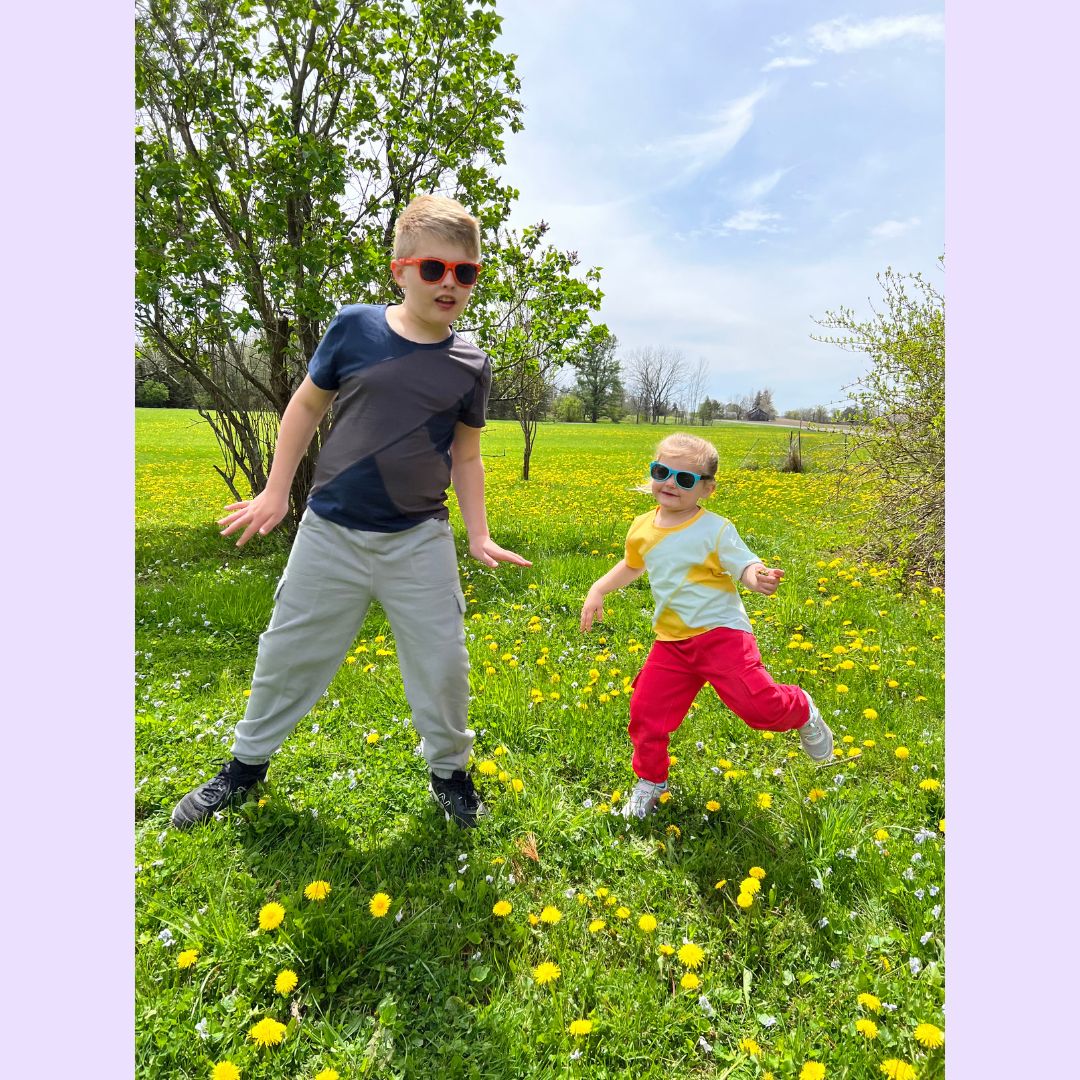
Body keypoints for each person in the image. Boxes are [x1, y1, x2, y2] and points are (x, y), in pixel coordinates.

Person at [171, 194, 530, 830]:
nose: (449, 283)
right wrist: (276, 492)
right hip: (330, 532)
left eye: (464, 273)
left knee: (443, 662)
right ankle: (244, 769)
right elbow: (306, 407)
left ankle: (450, 772)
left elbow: (467, 457)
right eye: (433, 269)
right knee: (288, 652)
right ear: (400, 270)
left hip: (419, 538)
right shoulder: (354, 328)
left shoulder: (470, 365)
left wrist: (478, 532)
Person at [579, 432, 833, 819]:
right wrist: (598, 588)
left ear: (707, 489)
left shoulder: (715, 529)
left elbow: (743, 565)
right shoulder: (642, 527)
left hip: (721, 636)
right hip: (672, 643)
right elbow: (633, 565)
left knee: (759, 709)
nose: (669, 483)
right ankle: (651, 780)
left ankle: (801, 708)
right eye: (661, 471)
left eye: (684, 479)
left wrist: (757, 577)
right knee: (645, 713)